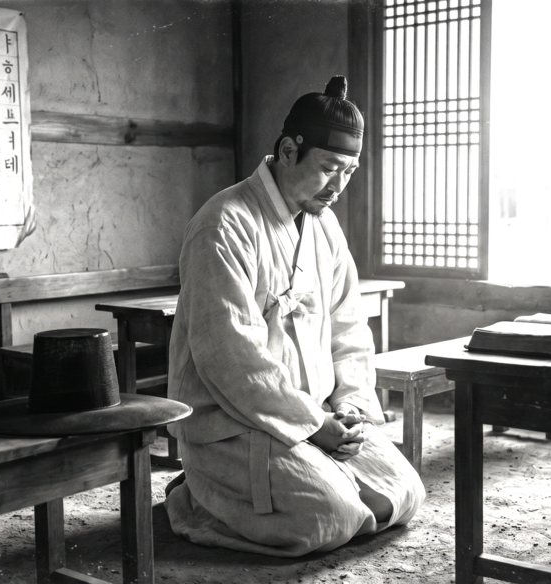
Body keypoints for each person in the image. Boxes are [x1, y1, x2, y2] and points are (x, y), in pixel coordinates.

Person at [163, 75, 425, 557]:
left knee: (403, 493)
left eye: (350, 172)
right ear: (288, 151)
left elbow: (349, 330)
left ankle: (279, 483)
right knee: (333, 516)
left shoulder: (325, 227)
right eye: (329, 168)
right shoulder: (224, 223)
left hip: (317, 415)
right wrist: (312, 425)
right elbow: (231, 358)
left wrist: (349, 407)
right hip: (234, 422)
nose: (339, 186)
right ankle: (197, 497)